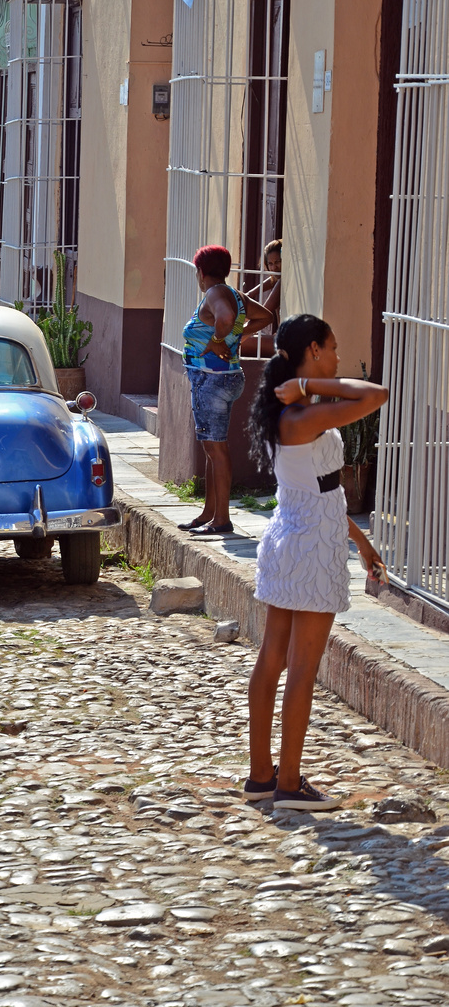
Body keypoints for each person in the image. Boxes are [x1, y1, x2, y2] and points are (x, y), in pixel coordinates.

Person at [244, 314, 388, 810]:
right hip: (310, 549)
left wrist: (362, 543)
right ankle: (289, 785)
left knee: (272, 661)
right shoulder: (304, 415)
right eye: (332, 348)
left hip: (290, 538)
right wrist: (308, 382)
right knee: (301, 669)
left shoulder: (289, 415)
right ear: (311, 350)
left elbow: (321, 491)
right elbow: (376, 394)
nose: (338, 358)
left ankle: (261, 776)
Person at [179, 244, 273, 537]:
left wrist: (222, 338)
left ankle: (221, 520)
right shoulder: (235, 295)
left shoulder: (214, 293)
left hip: (212, 381)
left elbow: (226, 318)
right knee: (212, 448)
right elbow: (265, 317)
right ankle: (209, 513)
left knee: (216, 449)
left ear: (201, 272)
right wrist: (237, 335)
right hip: (228, 377)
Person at [241, 239, 282, 358]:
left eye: (278, 262)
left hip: (284, 344)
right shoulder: (277, 280)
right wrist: (250, 293)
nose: (274, 267)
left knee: (240, 344)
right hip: (279, 339)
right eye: (270, 264)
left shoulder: (281, 283)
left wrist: (235, 337)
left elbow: (262, 314)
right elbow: (271, 280)